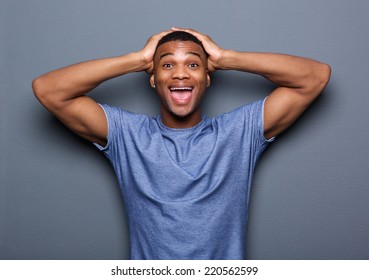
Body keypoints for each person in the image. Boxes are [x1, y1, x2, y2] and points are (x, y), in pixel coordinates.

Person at [32, 27, 331, 259]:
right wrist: (138, 60)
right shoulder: (127, 135)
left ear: (208, 77)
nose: (179, 73)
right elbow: (48, 90)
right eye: (166, 65)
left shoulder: (237, 133)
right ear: (152, 79)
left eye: (192, 64)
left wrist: (226, 58)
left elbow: (315, 77)